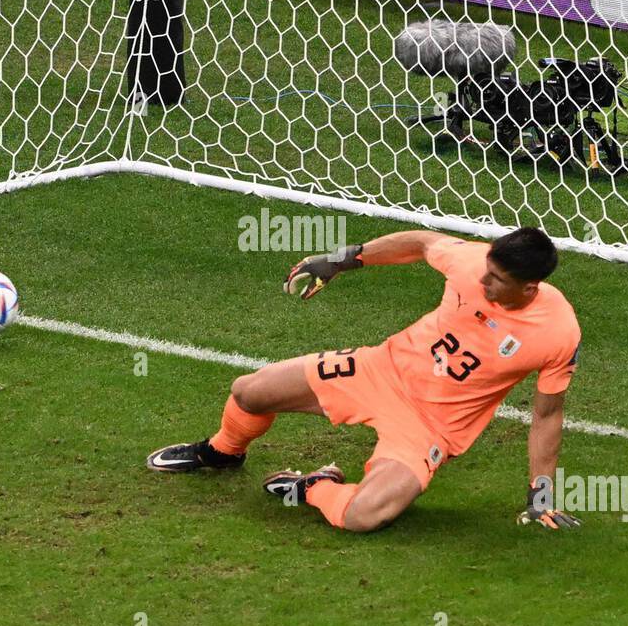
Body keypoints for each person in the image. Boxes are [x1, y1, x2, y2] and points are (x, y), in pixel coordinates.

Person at [146, 227, 583, 532]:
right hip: (380, 370)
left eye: (497, 280)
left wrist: (540, 495)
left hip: (429, 427)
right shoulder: (472, 262)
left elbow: (547, 416)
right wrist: (339, 260)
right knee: (250, 391)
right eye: (486, 269)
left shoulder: (557, 332)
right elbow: (422, 242)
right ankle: (222, 452)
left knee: (363, 516)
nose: (482, 279)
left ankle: (313, 486)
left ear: (530, 287)